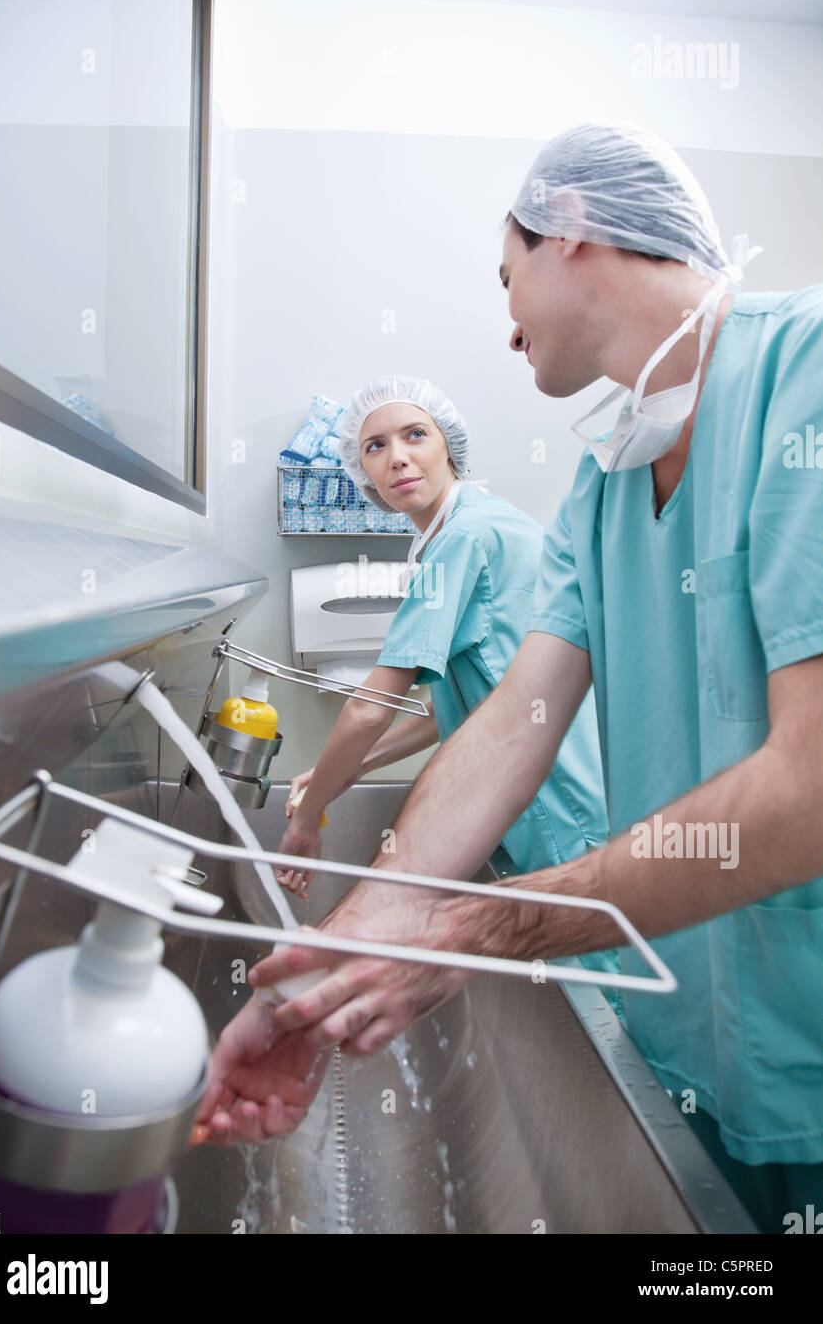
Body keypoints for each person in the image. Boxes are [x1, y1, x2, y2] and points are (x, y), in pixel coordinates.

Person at [198, 122, 823, 1235]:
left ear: (570, 228)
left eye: (507, 276)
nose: (503, 323)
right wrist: (345, 955)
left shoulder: (803, 382)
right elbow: (507, 722)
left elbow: (808, 786)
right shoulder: (601, 483)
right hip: (688, 1037)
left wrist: (471, 932)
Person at [191, 373, 618, 1146]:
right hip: (550, 800)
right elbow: (433, 709)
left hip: (561, 804)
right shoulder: (457, 533)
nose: (396, 458)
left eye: (413, 435)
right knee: (599, 998)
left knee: (613, 1023)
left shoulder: (464, 539)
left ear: (448, 444)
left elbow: (367, 707)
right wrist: (330, 781)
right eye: (374, 447)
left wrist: (313, 812)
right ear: (361, 476)